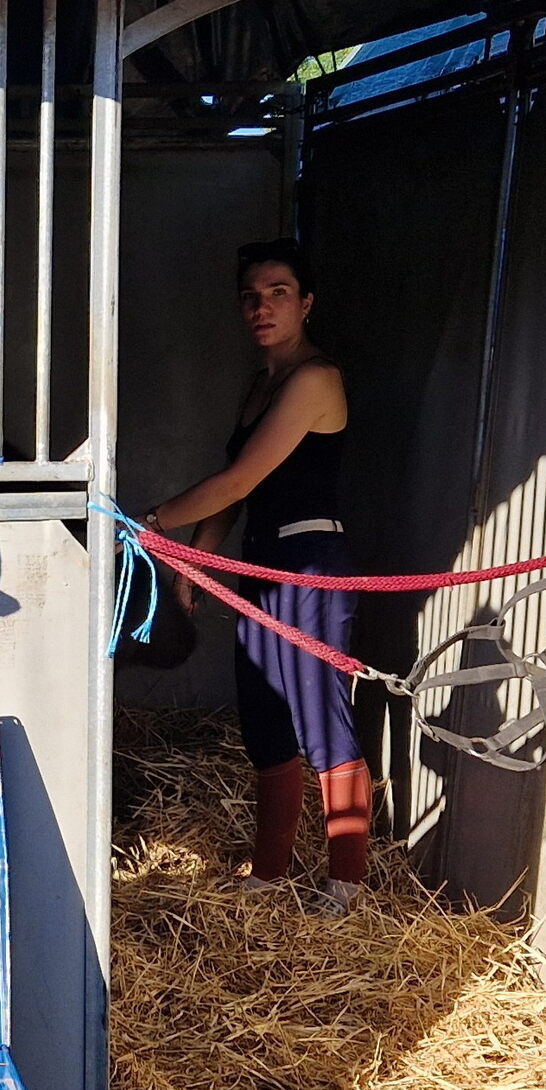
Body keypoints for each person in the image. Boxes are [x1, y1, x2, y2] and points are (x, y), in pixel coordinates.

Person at [144, 239, 373, 913]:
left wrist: (150, 520)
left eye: (278, 293)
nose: (261, 307)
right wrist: (195, 558)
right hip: (261, 563)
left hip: (310, 566)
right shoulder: (260, 385)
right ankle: (269, 873)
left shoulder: (315, 378)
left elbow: (238, 480)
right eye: (250, 296)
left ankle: (347, 883)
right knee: (264, 719)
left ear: (306, 303)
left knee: (322, 720)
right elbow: (236, 490)